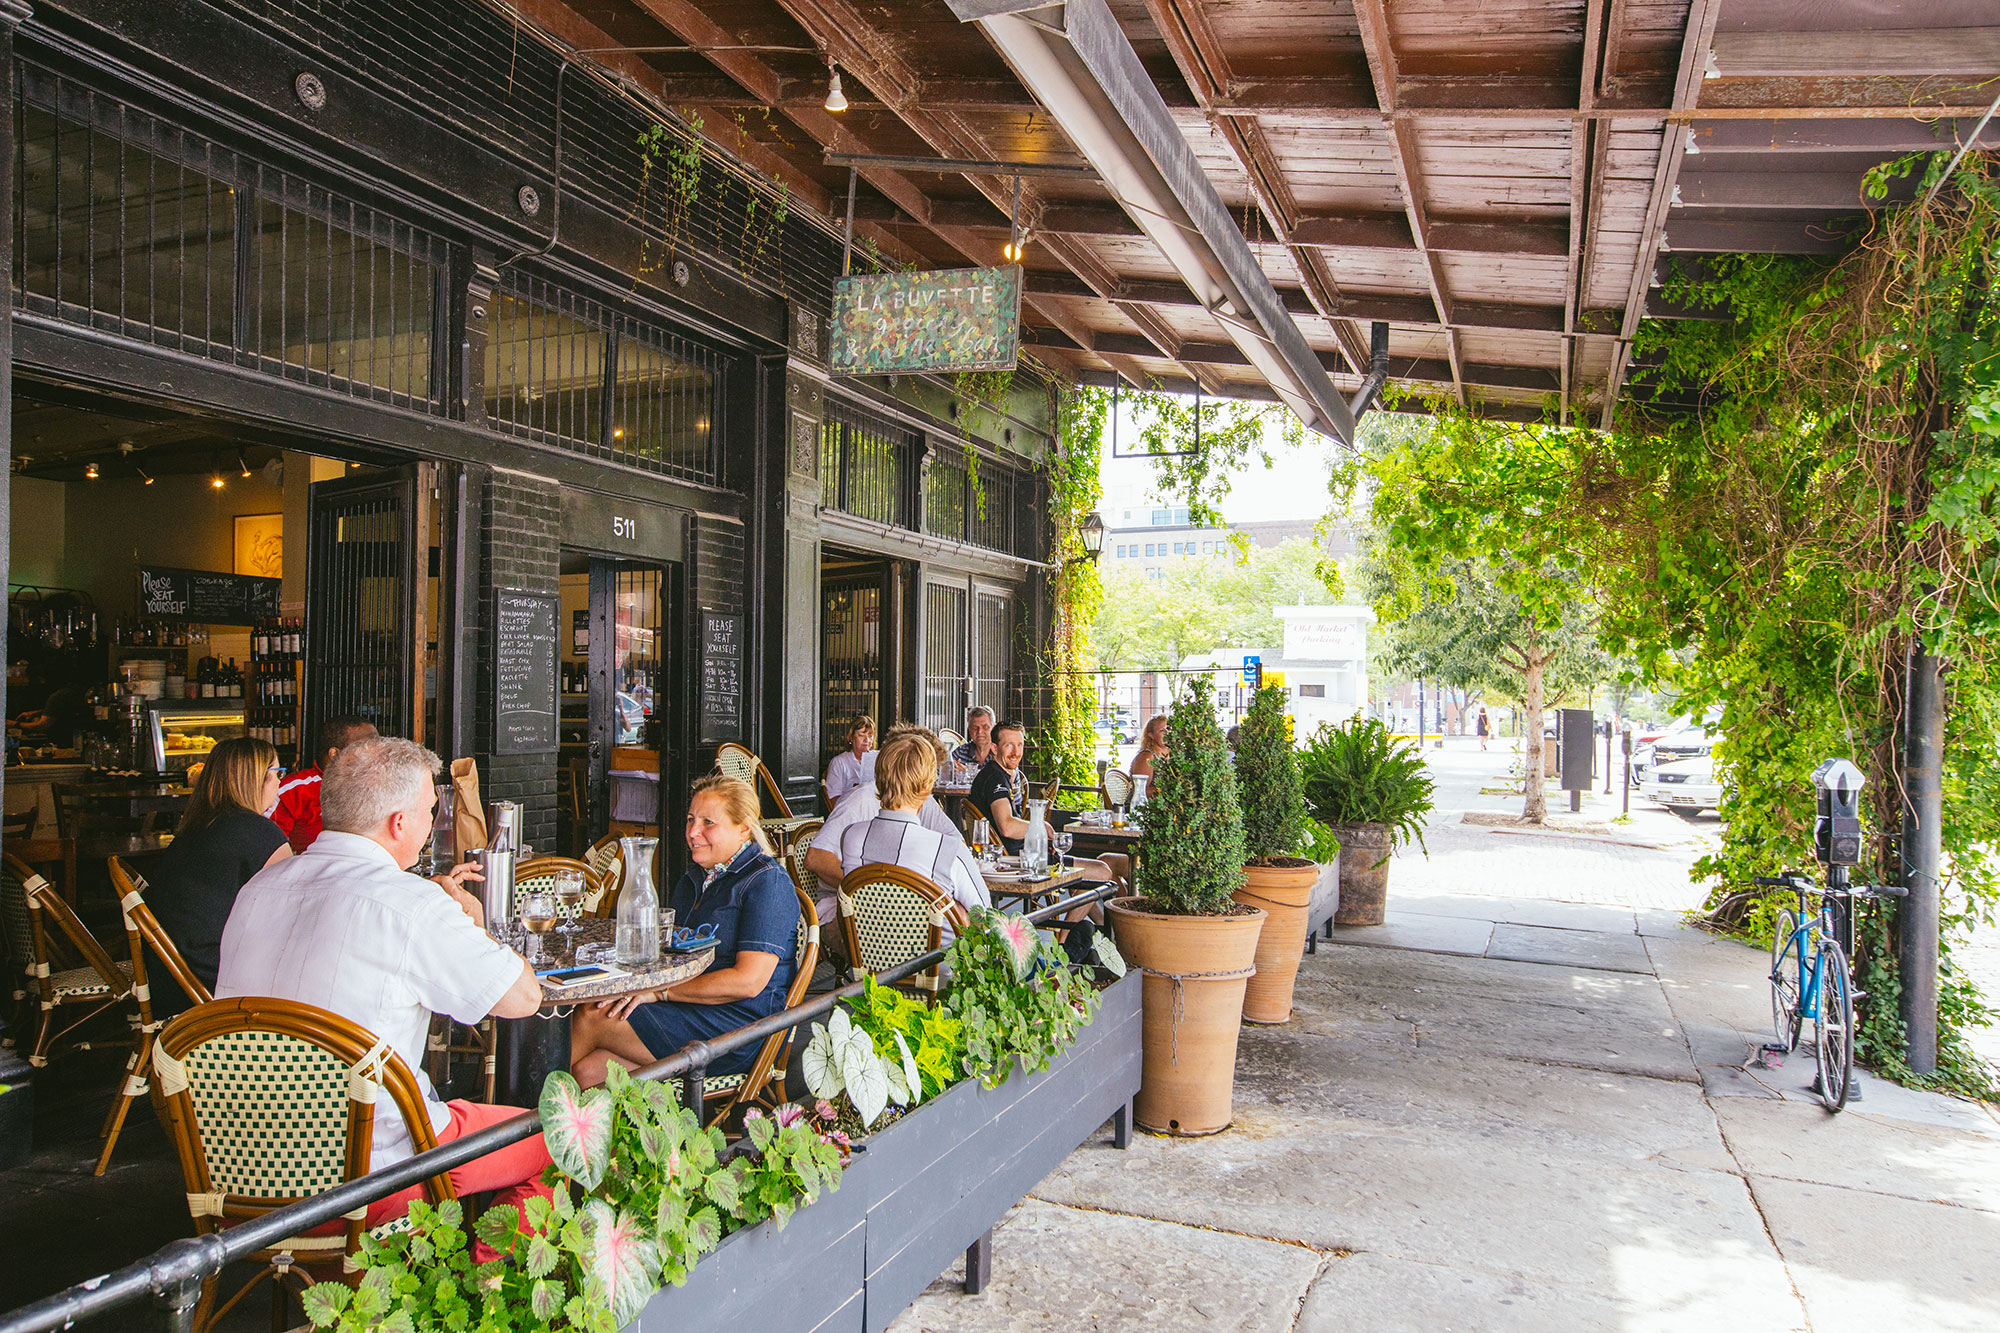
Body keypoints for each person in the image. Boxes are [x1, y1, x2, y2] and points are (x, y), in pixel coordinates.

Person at [215, 736, 546, 1238]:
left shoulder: (256, 890)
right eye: (431, 812)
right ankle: (483, 1299)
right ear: (399, 823)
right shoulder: (409, 903)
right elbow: (525, 998)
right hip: (363, 1181)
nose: (433, 825)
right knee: (561, 1138)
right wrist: (474, 926)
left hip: (237, 1178)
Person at [570, 776, 800, 1087]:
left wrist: (660, 992)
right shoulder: (696, 880)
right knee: (588, 1071)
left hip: (742, 1030)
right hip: (688, 1009)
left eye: (708, 823)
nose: (693, 832)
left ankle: (512, 1124)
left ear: (743, 828)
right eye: (691, 819)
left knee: (592, 1015)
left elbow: (748, 981)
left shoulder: (766, 882)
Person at [143, 737, 292, 1014]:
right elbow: (290, 911)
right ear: (255, 778)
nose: (281, 782)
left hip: (168, 975)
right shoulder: (257, 831)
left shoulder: (198, 825)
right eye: (277, 774)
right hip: (212, 979)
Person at [804, 722, 963, 924]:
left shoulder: (922, 797)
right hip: (846, 912)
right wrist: (875, 895)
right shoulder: (860, 800)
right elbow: (815, 858)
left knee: (958, 918)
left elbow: (954, 842)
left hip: (905, 910)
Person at [838, 733, 990, 930]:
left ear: (879, 778)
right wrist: (957, 910)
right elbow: (987, 920)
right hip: (937, 960)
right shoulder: (949, 850)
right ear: (928, 785)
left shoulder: (851, 837)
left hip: (869, 958)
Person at [270, 713, 378, 854]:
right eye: (365, 748)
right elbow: (266, 845)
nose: (376, 755)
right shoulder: (295, 789)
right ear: (335, 754)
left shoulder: (378, 787)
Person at [968, 719, 1030, 854]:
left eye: (1020, 745)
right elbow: (1006, 826)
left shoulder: (997, 773)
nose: (1016, 752)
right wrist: (1040, 827)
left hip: (1022, 853)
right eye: (1009, 746)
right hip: (1012, 860)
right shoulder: (995, 779)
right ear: (994, 748)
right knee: (1085, 866)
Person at [824, 713, 877, 805]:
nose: (867, 740)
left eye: (870, 735)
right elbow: (832, 797)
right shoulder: (839, 762)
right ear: (851, 738)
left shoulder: (879, 758)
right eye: (861, 735)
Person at [951, 706, 995, 770]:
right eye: (975, 728)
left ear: (993, 728)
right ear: (969, 729)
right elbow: (938, 773)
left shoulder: (1000, 753)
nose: (980, 731)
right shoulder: (960, 752)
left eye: (985, 727)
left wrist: (967, 772)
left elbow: (1010, 776)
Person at [1129, 713, 1169, 779]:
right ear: (1151, 735)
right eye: (1162, 731)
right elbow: (1140, 787)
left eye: (1168, 728)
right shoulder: (1147, 757)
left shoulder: (1175, 753)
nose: (1167, 732)